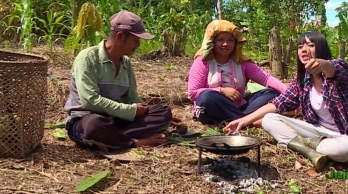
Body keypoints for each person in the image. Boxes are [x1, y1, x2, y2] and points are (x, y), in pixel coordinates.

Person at [225, 31, 348, 171]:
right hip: (317, 131)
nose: (304, 50)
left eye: (311, 45)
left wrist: (321, 64)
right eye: (300, 47)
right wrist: (243, 121)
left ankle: (301, 145)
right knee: (269, 119)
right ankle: (309, 150)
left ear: (321, 48)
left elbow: (332, 68)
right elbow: (278, 103)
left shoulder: (340, 70)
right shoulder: (302, 80)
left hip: (344, 137)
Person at [64, 10, 173, 150]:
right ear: (120, 36)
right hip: (87, 118)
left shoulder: (125, 62)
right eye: (136, 40)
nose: (138, 45)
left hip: (116, 119)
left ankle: (113, 138)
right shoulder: (87, 58)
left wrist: (146, 110)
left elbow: (131, 97)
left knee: (163, 111)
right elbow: (90, 100)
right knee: (94, 126)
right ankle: (133, 141)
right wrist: (131, 111)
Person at [187, 20, 287, 125]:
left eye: (230, 40)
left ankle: (240, 119)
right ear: (213, 42)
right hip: (213, 106)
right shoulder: (202, 61)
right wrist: (222, 90)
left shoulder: (241, 62)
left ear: (235, 43)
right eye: (221, 40)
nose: (226, 44)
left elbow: (266, 79)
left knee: (273, 92)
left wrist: (287, 92)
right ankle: (247, 119)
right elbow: (193, 93)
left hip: (238, 106)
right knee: (205, 97)